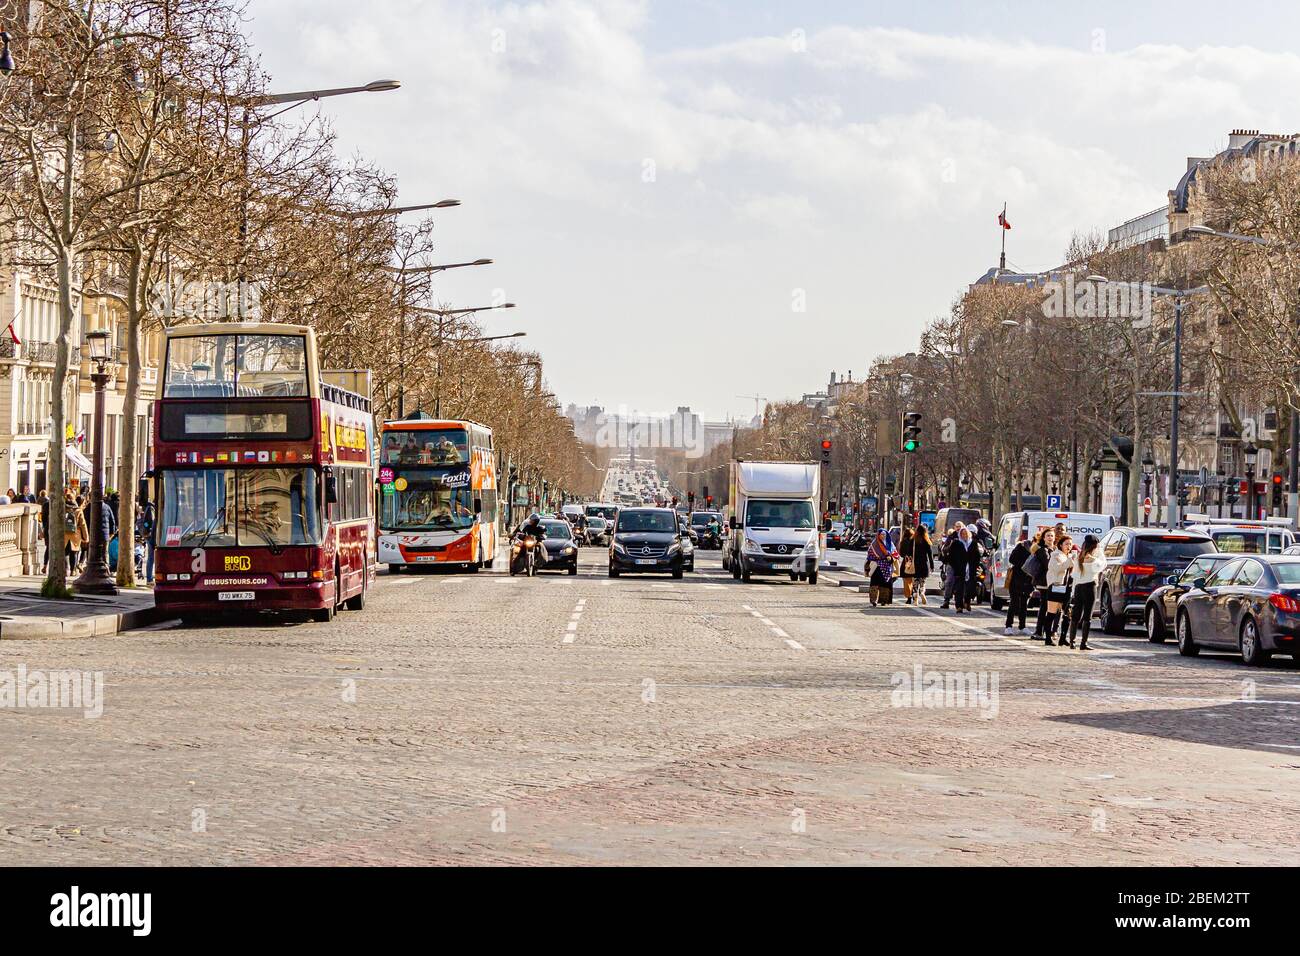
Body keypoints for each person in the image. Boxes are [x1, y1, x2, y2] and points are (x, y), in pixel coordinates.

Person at [1068, 534, 1105, 650]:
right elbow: (1102, 566)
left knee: (1075, 615)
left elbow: (1074, 575)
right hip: (1090, 587)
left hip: (1079, 587)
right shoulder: (1094, 559)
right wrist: (1098, 555)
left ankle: (1072, 642)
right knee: (1087, 617)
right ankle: (1083, 643)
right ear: (1095, 546)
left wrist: (1073, 592)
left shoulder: (1079, 557)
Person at [1023, 527, 1056, 640]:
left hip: (1051, 581)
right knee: (1044, 607)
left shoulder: (1054, 549)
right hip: (1044, 582)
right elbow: (1048, 565)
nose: (1050, 538)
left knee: (1049, 607)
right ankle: (1039, 631)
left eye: (1052, 536)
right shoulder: (1043, 550)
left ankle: (1046, 631)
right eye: (1048, 536)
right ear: (1043, 538)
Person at [1042, 533, 1075, 646]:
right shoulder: (1055, 555)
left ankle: (1063, 637)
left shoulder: (1069, 557)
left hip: (1066, 588)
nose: (1069, 546)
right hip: (1056, 587)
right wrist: (1070, 562)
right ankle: (1047, 638)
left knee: (1067, 614)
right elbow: (1056, 568)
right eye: (1066, 544)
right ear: (1060, 545)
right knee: (1051, 613)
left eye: (1070, 544)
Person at [1003, 528, 1034, 635]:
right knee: (1014, 603)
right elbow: (1012, 559)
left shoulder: (1038, 550)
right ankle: (1008, 626)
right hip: (1016, 578)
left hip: (1029, 580)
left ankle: (1022, 626)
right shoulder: (1021, 546)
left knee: (1024, 604)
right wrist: (1025, 565)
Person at [946, 525, 982, 613]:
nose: (964, 535)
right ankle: (959, 606)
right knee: (959, 589)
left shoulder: (973, 543)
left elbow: (977, 556)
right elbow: (951, 557)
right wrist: (955, 566)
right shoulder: (956, 543)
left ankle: (967, 601)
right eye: (962, 534)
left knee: (970, 588)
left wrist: (976, 565)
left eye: (965, 534)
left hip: (970, 569)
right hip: (960, 569)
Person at [866, 529, 896, 606]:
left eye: (884, 535)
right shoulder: (874, 544)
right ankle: (873, 600)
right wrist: (877, 558)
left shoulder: (890, 544)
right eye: (881, 534)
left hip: (887, 567)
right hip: (877, 566)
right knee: (874, 584)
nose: (883, 536)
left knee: (885, 584)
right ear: (878, 535)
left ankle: (884, 600)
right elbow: (870, 554)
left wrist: (891, 558)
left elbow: (895, 554)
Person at [939, 523, 964, 609]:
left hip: (962, 564)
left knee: (961, 583)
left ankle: (962, 601)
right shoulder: (951, 537)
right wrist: (950, 545)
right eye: (957, 527)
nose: (958, 528)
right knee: (949, 581)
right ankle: (946, 601)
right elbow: (944, 549)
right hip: (951, 563)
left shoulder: (966, 536)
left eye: (960, 527)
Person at [910, 525, 934, 605]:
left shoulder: (913, 540)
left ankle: (915, 595)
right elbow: (930, 555)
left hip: (915, 564)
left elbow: (909, 552)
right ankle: (922, 592)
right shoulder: (927, 540)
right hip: (924, 564)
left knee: (915, 582)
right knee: (923, 581)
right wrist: (932, 566)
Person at [898, 527, 916, 603]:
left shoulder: (903, 542)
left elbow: (901, 553)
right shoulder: (915, 541)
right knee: (914, 581)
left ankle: (909, 597)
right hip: (914, 563)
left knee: (906, 581)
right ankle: (915, 596)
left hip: (906, 563)